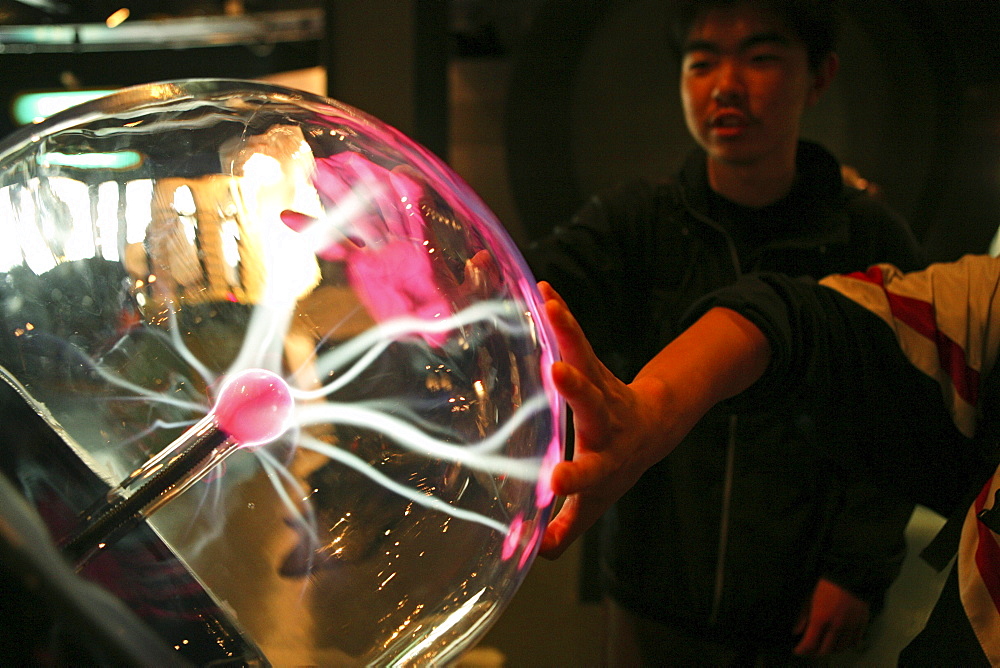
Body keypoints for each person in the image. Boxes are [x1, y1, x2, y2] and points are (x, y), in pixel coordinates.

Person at [525, 0, 924, 662]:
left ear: (820, 77)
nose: (726, 84)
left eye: (761, 58)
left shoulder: (868, 238)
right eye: (702, 62)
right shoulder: (639, 222)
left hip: (798, 611)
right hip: (650, 593)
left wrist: (857, 569)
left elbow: (906, 414)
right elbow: (537, 283)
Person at [537, 253, 1000, 665]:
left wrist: (855, 570)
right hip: (659, 586)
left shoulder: (859, 225)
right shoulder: (643, 217)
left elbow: (891, 430)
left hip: (789, 598)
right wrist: (651, 410)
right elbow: (795, 317)